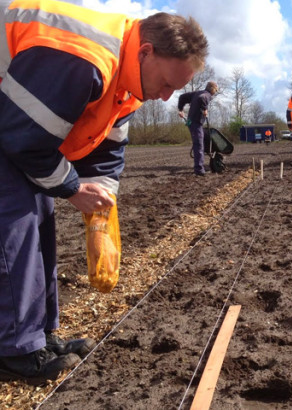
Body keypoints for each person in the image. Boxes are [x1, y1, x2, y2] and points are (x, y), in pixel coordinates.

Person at [0, 0, 208, 384]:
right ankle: (14, 349)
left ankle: (40, 334)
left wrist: (100, 220)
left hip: (17, 125)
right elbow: (21, 141)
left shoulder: (129, 83)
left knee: (41, 215)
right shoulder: (84, 58)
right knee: (16, 217)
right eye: (166, 84)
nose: (165, 98)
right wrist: (74, 189)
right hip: (11, 123)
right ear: (146, 52)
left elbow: (108, 154)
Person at [178, 81, 218, 176]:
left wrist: (180, 109)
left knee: (200, 143)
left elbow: (182, 97)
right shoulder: (206, 94)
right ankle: (199, 170)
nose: (215, 92)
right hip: (195, 123)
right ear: (212, 89)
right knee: (199, 145)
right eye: (216, 90)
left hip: (192, 122)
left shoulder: (197, 93)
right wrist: (205, 109)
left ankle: (199, 167)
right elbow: (202, 98)